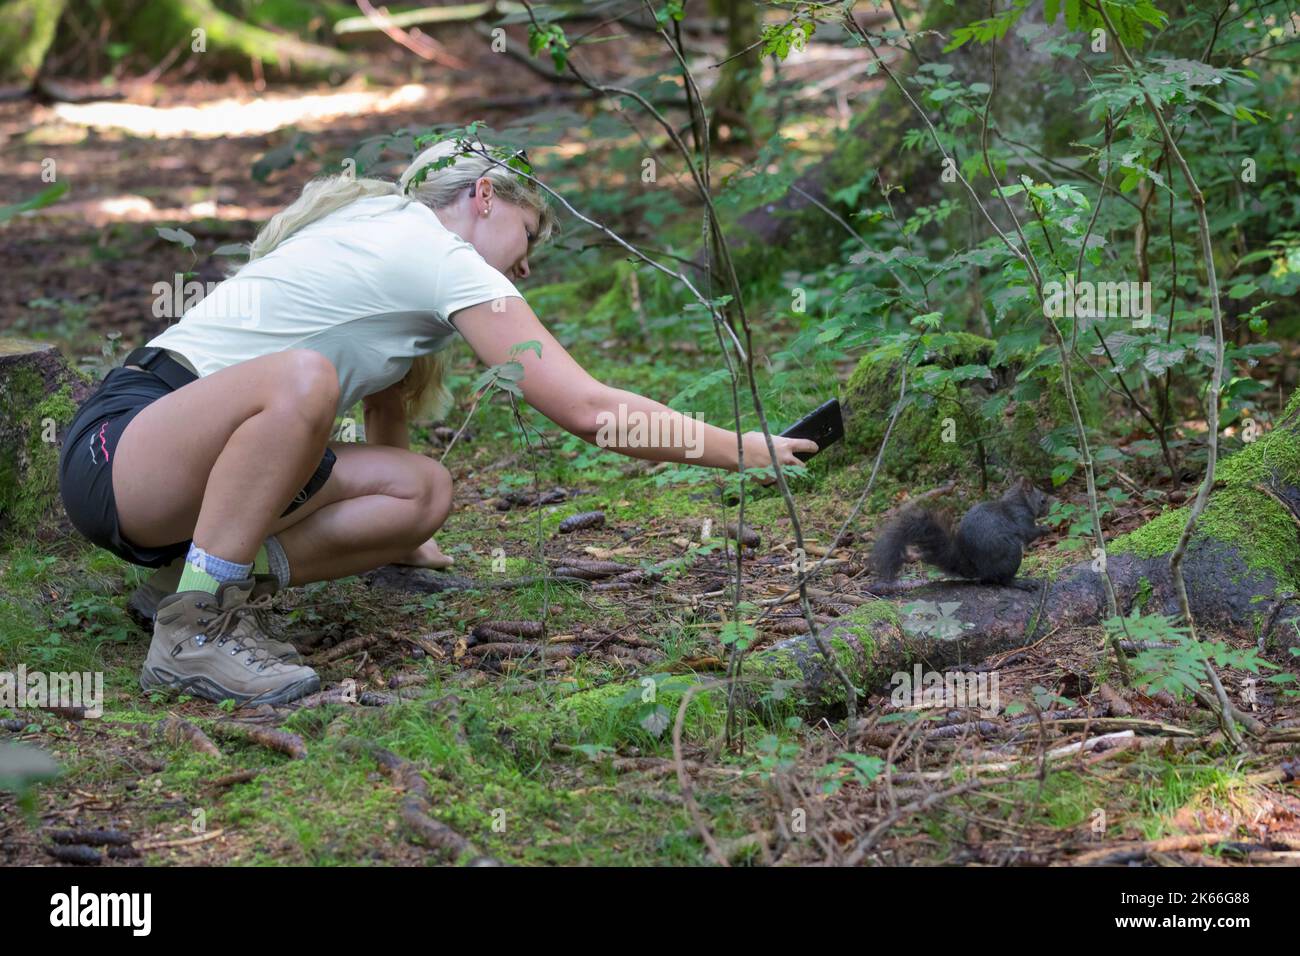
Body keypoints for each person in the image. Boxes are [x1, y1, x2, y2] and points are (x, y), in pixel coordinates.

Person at [57, 138, 817, 707]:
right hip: (123, 448)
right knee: (302, 378)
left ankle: (174, 585)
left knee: (419, 492)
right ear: (484, 195)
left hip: (176, 473)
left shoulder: (385, 231)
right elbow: (587, 411)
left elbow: (386, 401)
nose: (525, 269)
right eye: (530, 237)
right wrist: (739, 450)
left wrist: (404, 537)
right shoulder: (432, 253)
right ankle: (195, 630)